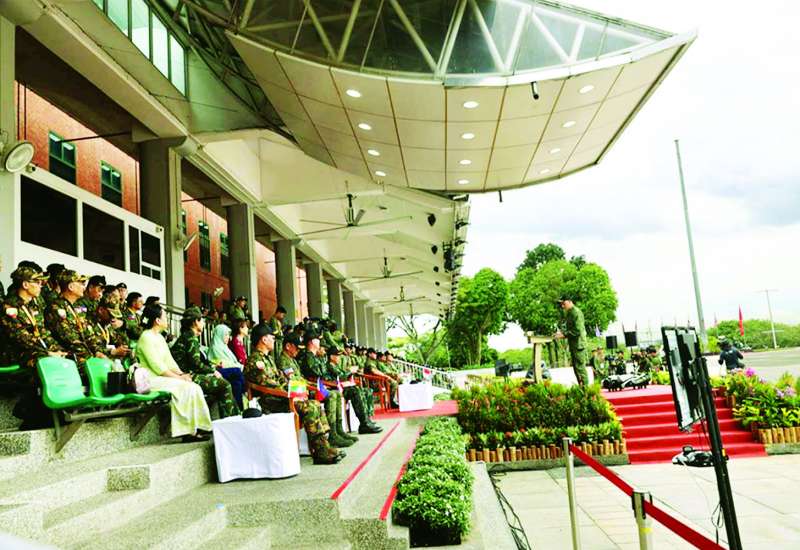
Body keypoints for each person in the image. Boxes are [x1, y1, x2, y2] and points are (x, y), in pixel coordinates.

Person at [244, 326, 343, 465]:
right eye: (272, 338)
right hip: (272, 402)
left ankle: (324, 445)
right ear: (264, 339)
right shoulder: (255, 360)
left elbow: (281, 379)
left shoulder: (268, 359)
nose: (274, 340)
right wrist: (292, 394)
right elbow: (267, 384)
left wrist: (297, 391)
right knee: (310, 407)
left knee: (315, 404)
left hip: (281, 398)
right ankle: (320, 451)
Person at [135, 303, 212, 441]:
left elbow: (170, 362)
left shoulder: (159, 337)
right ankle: (187, 432)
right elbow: (158, 367)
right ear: (157, 320)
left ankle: (199, 426)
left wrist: (182, 375)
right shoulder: (146, 337)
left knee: (194, 386)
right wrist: (179, 378)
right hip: (151, 379)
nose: (167, 319)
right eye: (165, 316)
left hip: (162, 378)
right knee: (184, 387)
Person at [170, 307, 237, 418]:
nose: (203, 323)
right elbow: (196, 363)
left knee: (221, 385)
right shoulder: (190, 338)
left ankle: (232, 416)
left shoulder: (187, 336)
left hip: (187, 374)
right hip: (187, 376)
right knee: (225, 385)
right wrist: (212, 371)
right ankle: (229, 420)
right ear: (195, 322)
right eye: (201, 320)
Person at [44, 269, 108, 372]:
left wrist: (97, 352)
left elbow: (88, 334)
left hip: (82, 356)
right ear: (71, 287)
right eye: (81, 283)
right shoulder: (56, 308)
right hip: (69, 358)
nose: (84, 287)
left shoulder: (75, 308)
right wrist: (90, 357)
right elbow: (70, 339)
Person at [299, 337, 354, 448]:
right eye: (318, 340)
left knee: (336, 393)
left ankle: (338, 430)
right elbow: (318, 372)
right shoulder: (308, 357)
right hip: (310, 390)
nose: (323, 349)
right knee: (333, 394)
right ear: (313, 342)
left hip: (316, 387)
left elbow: (321, 373)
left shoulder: (315, 357)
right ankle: (332, 434)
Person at [326, 347, 382, 434]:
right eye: (337, 356)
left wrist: (351, 372)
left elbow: (343, 375)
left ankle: (367, 419)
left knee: (367, 390)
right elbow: (341, 376)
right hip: (336, 388)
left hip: (342, 386)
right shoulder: (330, 366)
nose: (339, 358)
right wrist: (350, 371)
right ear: (331, 357)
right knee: (355, 391)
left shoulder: (335, 365)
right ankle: (364, 423)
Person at [208, 323, 247, 410]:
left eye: (228, 335)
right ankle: (246, 389)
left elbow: (232, 362)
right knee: (237, 371)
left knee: (237, 383)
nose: (228, 337)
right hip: (217, 372)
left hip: (228, 372)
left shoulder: (225, 348)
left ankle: (239, 409)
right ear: (220, 334)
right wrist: (239, 366)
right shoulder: (215, 347)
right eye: (225, 335)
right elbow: (224, 364)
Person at [555, 296, 589, 386]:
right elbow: (570, 328)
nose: (562, 306)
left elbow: (577, 330)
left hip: (579, 345)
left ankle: (586, 390)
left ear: (570, 301)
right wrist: (561, 332)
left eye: (564, 303)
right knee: (576, 369)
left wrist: (564, 335)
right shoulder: (570, 313)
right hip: (574, 345)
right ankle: (582, 389)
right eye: (561, 304)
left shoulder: (576, 312)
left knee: (580, 369)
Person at [91, 294, 131, 360]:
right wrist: (112, 351)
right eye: (111, 315)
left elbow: (119, 341)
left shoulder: (108, 326)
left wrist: (124, 348)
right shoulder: (90, 324)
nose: (114, 318)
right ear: (101, 310)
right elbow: (91, 347)